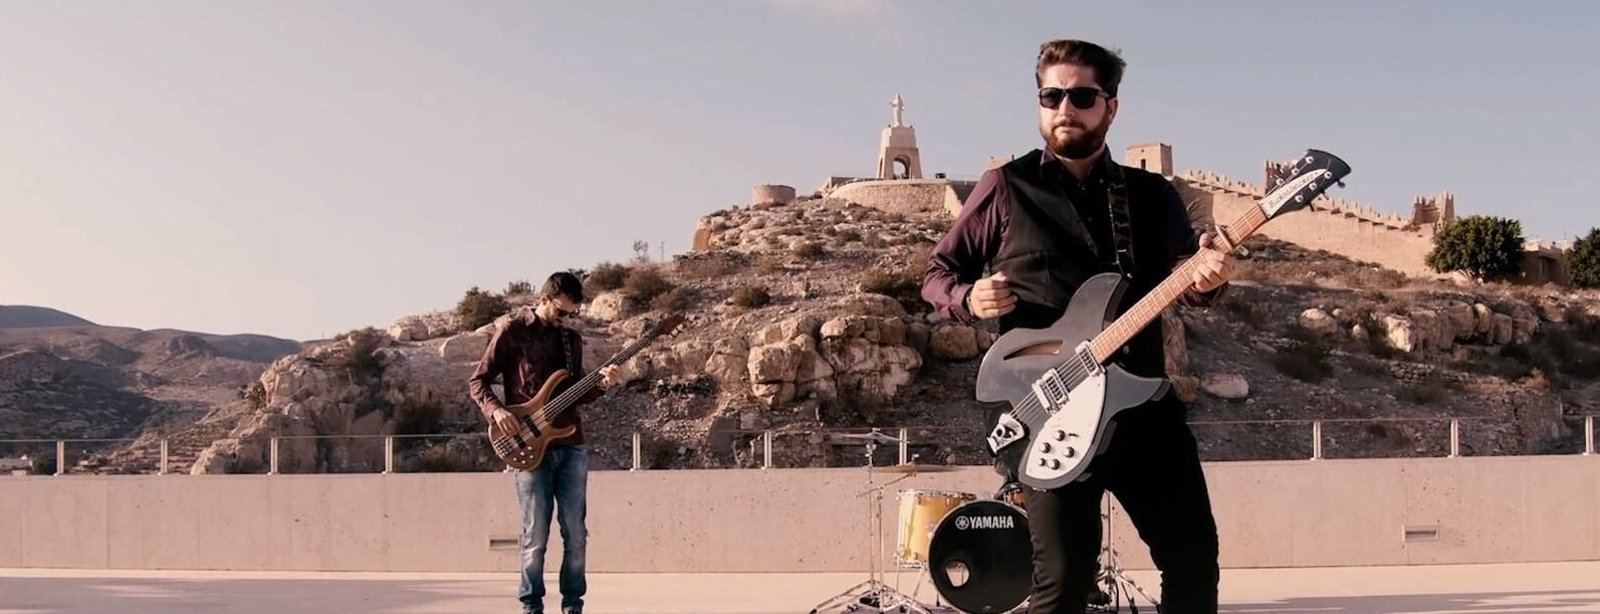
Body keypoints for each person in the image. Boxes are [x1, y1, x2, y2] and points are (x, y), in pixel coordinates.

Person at [921, 39, 1234, 613]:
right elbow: (938, 273)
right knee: (1062, 582)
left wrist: (1208, 280)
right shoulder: (1006, 186)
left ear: (1110, 106)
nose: (1066, 106)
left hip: (1140, 406)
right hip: (1046, 409)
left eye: (1082, 95)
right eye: (1052, 94)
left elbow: (1185, 280)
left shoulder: (1151, 194)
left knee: (1193, 561)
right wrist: (969, 297)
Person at [469, 271, 620, 614]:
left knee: (576, 534)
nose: (567, 319)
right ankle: (531, 606)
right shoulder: (512, 331)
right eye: (562, 312)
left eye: (572, 314)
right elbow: (478, 381)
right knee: (535, 536)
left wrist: (603, 384)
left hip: (571, 443)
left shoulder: (572, 341)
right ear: (545, 299)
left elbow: (577, 394)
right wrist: (496, 412)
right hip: (527, 445)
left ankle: (573, 605)